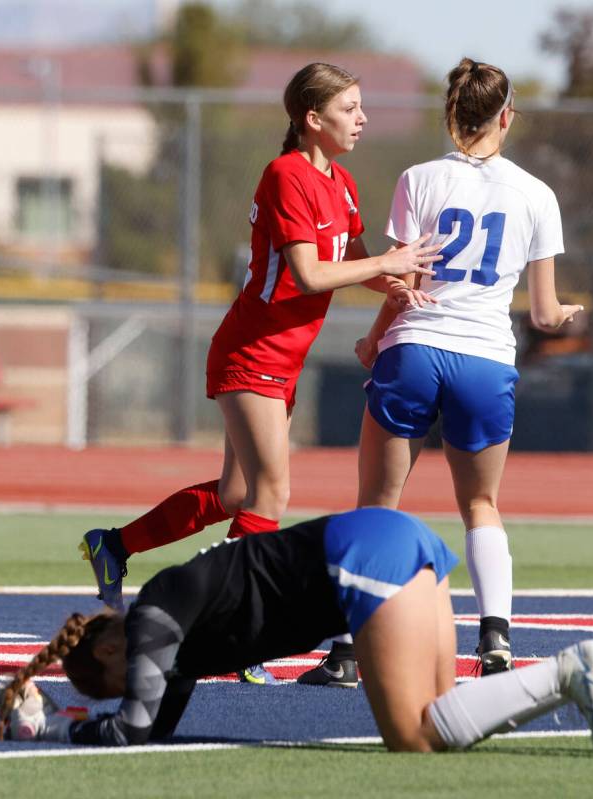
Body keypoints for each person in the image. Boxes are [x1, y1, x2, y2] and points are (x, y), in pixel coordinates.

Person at [79, 63, 441, 684]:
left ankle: (113, 546)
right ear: (312, 118)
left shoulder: (344, 184)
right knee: (272, 494)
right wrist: (387, 261)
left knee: (238, 497)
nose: (361, 118)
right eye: (349, 108)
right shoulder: (285, 175)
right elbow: (307, 275)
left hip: (280, 360)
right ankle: (239, 638)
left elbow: (349, 261)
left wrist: (397, 282)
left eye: (360, 107)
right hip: (252, 353)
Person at [298, 58, 584, 686]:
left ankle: (348, 651)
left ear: (453, 114)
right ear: (506, 116)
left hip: (416, 349)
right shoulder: (538, 193)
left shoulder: (418, 178)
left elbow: (405, 281)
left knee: (377, 504)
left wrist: (375, 340)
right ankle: (496, 643)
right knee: (481, 502)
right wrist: (562, 314)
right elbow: (540, 311)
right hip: (485, 358)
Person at [0, 508, 593, 754]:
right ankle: (580, 679)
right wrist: (69, 705)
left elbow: (133, 724)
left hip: (359, 553)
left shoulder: (157, 610)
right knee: (442, 724)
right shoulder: (175, 643)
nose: (136, 683)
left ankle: (568, 670)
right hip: (389, 536)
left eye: (115, 678)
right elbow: (156, 726)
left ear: (112, 647)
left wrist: (48, 727)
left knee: (412, 736)